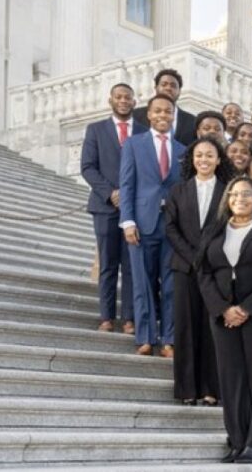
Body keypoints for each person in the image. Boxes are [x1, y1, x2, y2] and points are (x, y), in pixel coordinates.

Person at [197, 176, 252, 464]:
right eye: (234, 194)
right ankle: (236, 440)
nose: (240, 199)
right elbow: (204, 272)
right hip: (223, 315)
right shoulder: (214, 230)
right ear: (227, 199)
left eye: (247, 194)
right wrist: (224, 309)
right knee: (231, 379)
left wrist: (246, 309)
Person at [164, 136, 233, 407]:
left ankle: (211, 388)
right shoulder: (178, 190)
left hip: (216, 269)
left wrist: (208, 257)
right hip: (185, 267)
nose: (204, 160)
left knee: (212, 326)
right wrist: (194, 257)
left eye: (209, 155)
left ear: (218, 160)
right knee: (186, 326)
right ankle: (186, 389)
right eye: (199, 155)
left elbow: (230, 226)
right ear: (192, 160)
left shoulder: (229, 191)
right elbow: (171, 228)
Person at [119, 94, 183, 356]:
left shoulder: (182, 150)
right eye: (158, 111)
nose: (163, 116)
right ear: (148, 114)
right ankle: (145, 337)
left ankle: (168, 339)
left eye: (168, 111)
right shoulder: (134, 145)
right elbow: (127, 184)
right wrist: (128, 221)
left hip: (171, 227)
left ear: (173, 115)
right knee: (142, 283)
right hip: (142, 224)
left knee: (170, 285)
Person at [81, 83, 144, 335]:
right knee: (108, 264)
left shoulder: (143, 131)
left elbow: (147, 170)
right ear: (110, 100)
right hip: (105, 207)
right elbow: (88, 167)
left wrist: (129, 196)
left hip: (135, 210)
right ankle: (106, 317)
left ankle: (129, 317)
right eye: (118, 97)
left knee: (131, 264)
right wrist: (111, 193)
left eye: (128, 97)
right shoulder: (95, 129)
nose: (123, 101)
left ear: (134, 102)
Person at [133, 68, 196, 146]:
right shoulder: (135, 116)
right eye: (164, 84)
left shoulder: (192, 122)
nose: (168, 88)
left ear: (179, 91)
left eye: (173, 86)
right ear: (156, 88)